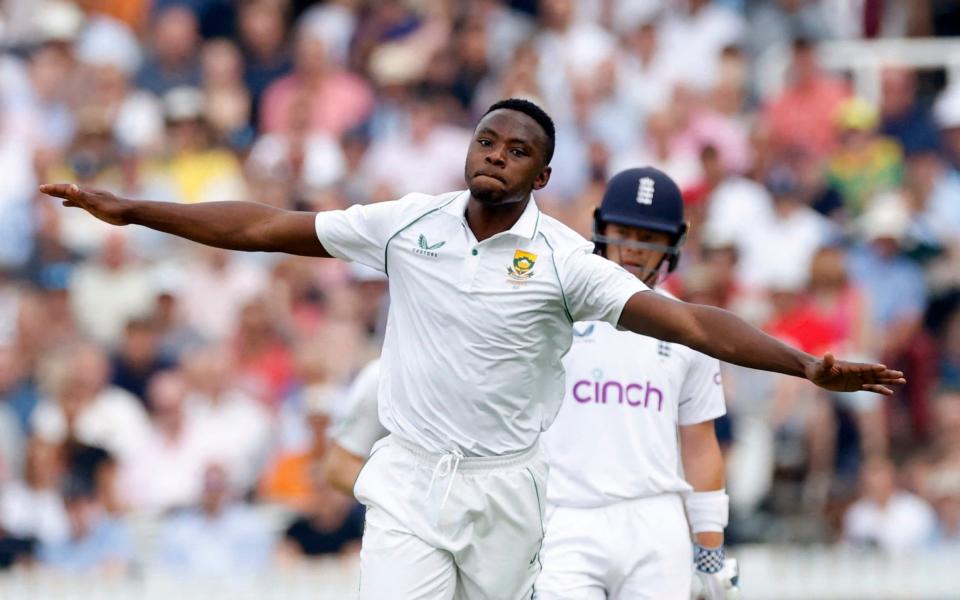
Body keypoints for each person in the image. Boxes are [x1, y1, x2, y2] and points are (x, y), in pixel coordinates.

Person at [41, 98, 904, 600]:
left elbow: (688, 325)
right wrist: (136, 208)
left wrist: (805, 363)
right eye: (487, 141)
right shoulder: (408, 221)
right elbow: (269, 225)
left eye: (518, 150)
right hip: (413, 476)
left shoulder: (568, 263)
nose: (496, 156)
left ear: (542, 176)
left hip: (510, 492)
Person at [536, 167, 735, 599]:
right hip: (562, 517)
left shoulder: (688, 328)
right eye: (623, 232)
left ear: (674, 243)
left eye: (650, 237)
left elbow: (700, 443)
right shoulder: (553, 312)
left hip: (654, 521)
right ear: (600, 227)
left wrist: (710, 554)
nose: (634, 249)